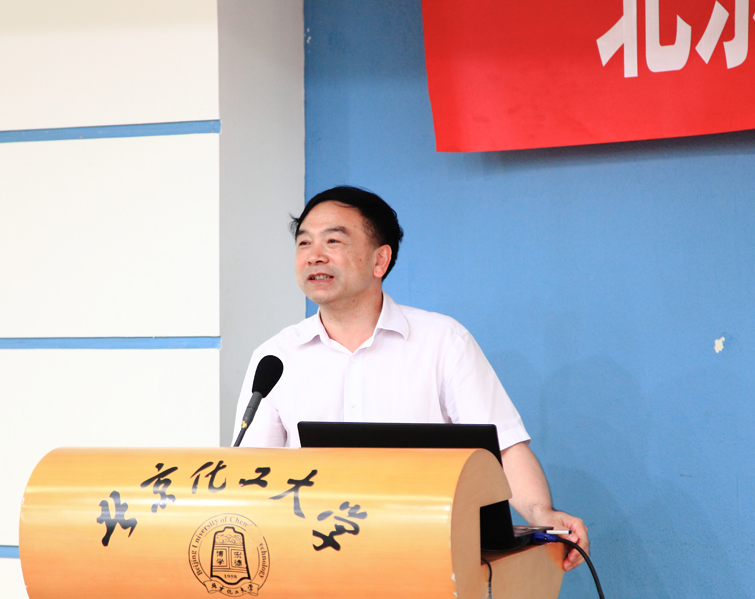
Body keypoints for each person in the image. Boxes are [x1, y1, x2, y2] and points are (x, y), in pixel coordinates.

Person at [232, 186, 588, 571]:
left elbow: (502, 449)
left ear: (379, 260)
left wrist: (541, 512)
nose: (314, 255)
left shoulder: (442, 341)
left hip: (426, 558)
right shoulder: (276, 357)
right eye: (304, 243)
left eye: (333, 240)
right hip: (310, 562)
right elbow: (253, 473)